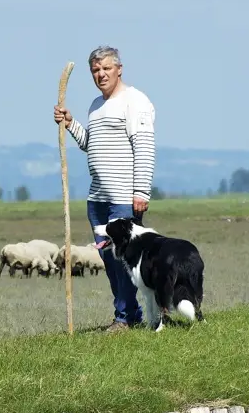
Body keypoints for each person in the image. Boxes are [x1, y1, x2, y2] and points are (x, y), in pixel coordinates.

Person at [53, 45, 157, 333]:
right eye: (96, 70)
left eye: (106, 68)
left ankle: (124, 318)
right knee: (108, 260)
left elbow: (144, 148)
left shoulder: (135, 101)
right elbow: (90, 144)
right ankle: (130, 313)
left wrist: (141, 192)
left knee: (125, 260)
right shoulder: (96, 106)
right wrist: (71, 123)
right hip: (98, 198)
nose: (101, 74)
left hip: (124, 198)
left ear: (119, 69)